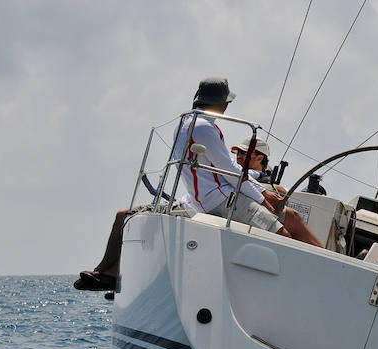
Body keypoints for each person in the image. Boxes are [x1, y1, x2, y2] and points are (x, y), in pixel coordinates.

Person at [74, 77, 318, 291]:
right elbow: (231, 172)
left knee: (124, 215)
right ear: (221, 103)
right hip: (223, 199)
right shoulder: (207, 128)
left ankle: (106, 271)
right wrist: (264, 197)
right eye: (227, 102)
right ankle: (310, 280)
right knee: (283, 234)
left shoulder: (184, 125)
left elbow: (221, 170)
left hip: (200, 200)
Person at [230, 137, 323, 247]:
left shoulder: (275, 187)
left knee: (292, 217)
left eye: (243, 152)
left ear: (259, 158)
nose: (238, 156)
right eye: (237, 152)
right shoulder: (233, 172)